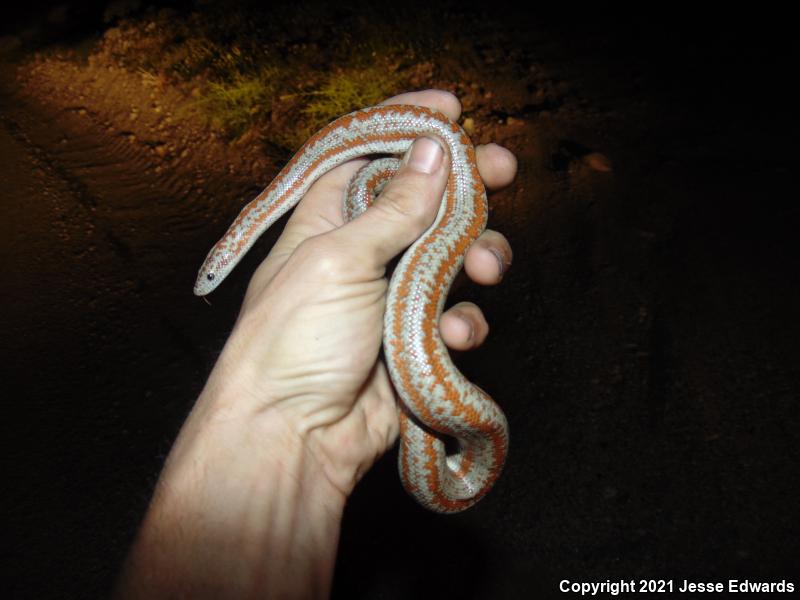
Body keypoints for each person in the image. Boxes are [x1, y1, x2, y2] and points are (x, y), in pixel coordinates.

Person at [115, 89, 517, 599]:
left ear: (230, 251)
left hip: (417, 173)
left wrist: (398, 198)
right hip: (403, 188)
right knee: (412, 226)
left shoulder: (345, 182)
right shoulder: (314, 197)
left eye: (213, 272)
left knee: (428, 226)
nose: (209, 282)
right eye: (211, 272)